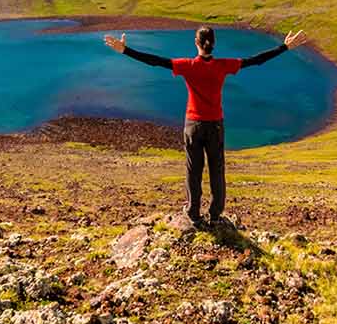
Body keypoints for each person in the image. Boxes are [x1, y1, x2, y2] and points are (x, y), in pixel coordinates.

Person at [104, 25, 306, 226]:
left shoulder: (188, 65)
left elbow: (156, 62)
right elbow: (256, 61)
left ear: (196, 43)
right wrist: (284, 47)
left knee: (193, 170)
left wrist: (125, 50)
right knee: (217, 170)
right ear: (213, 44)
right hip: (215, 125)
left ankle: (193, 212)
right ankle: (216, 214)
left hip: (193, 125)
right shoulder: (223, 65)